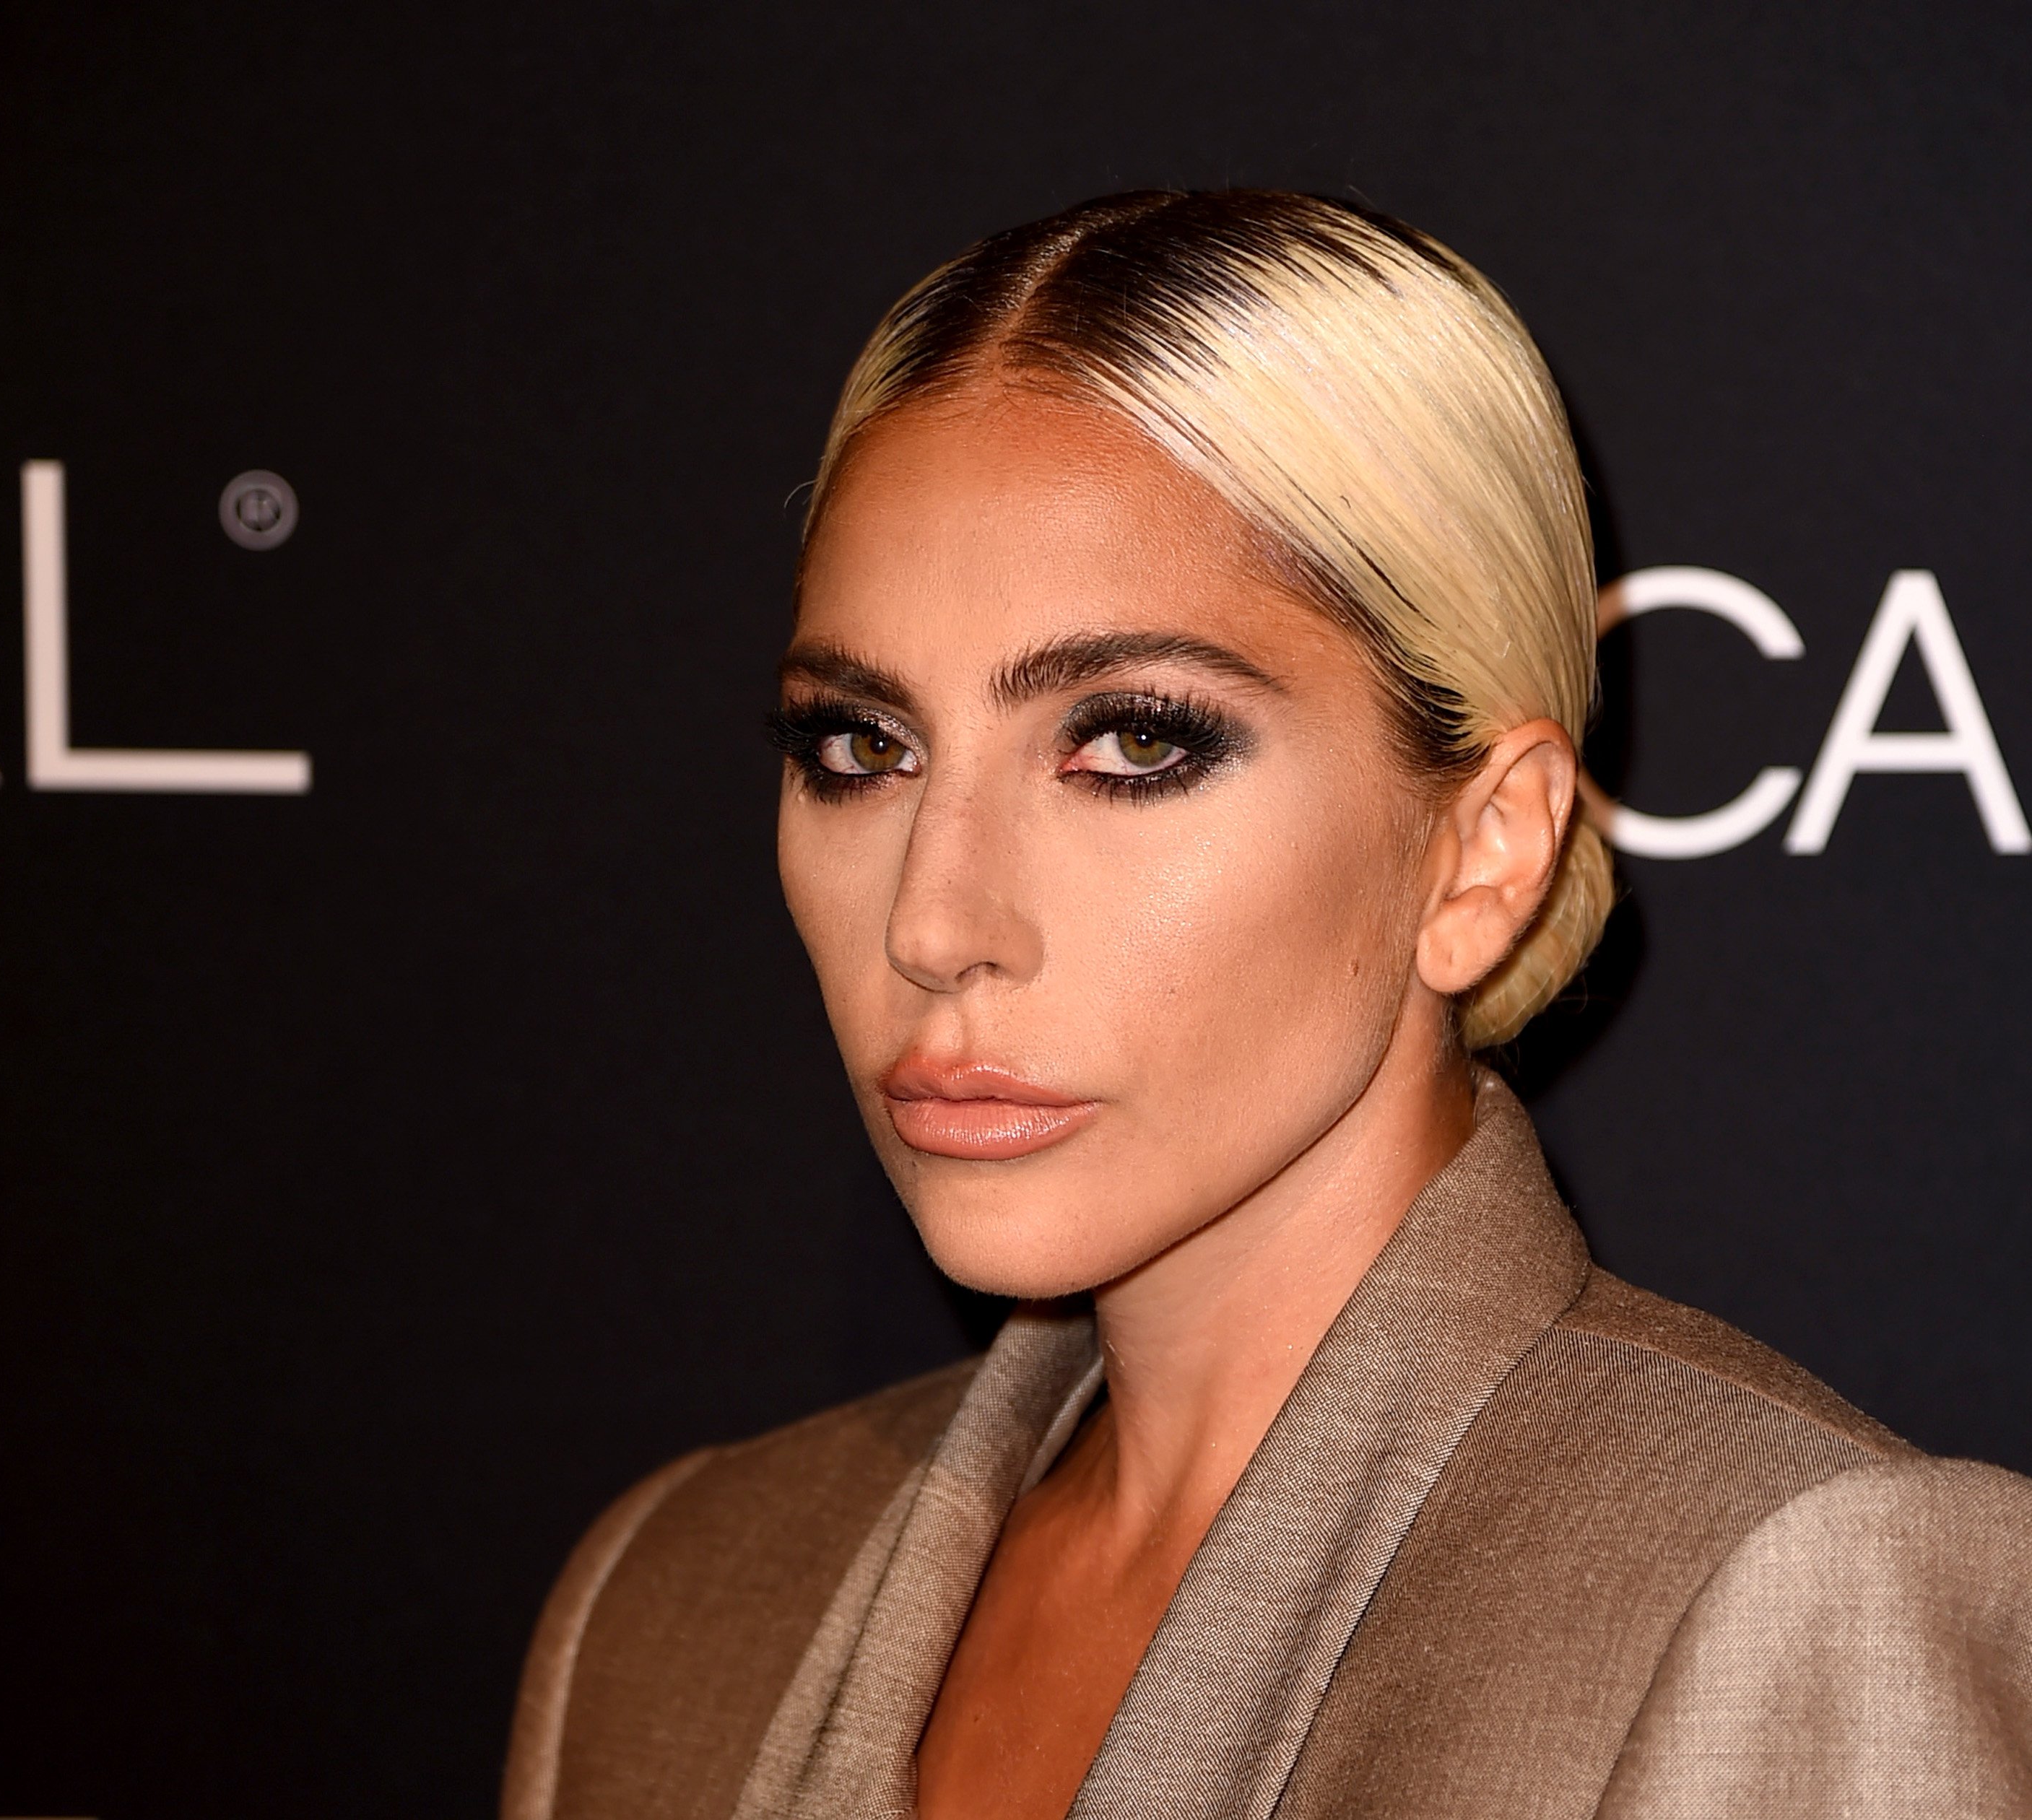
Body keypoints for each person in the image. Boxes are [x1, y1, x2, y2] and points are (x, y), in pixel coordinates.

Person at [500, 192, 2032, 1820]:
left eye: (1134, 741)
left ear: (1481, 848)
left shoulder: (1790, 1596)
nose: (937, 921)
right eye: (862, 748)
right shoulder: (669, 1606)